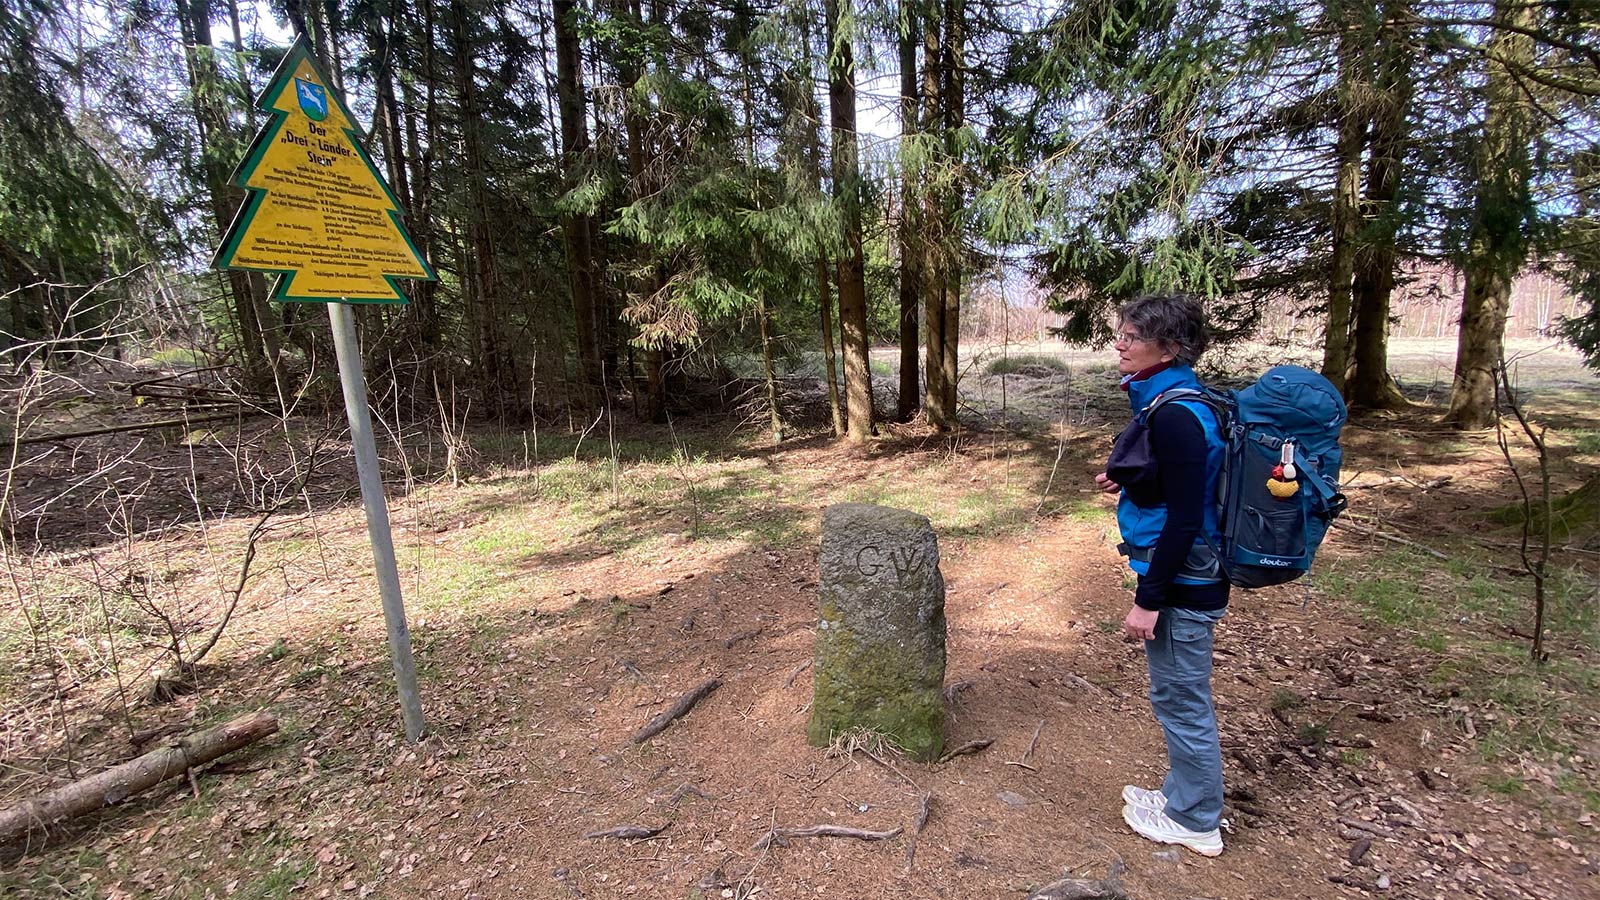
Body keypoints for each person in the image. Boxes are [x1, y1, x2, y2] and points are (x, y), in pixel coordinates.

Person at [1093, 294, 1229, 858]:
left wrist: (1148, 599)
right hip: (1185, 567)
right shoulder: (1174, 400)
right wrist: (1130, 482)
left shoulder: (1175, 414)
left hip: (1184, 576)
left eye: (1132, 336)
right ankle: (1181, 797)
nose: (1120, 344)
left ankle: (1196, 819)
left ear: (1171, 347)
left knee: (1180, 697)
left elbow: (1185, 519)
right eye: (1120, 333)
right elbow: (1182, 488)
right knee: (1175, 691)